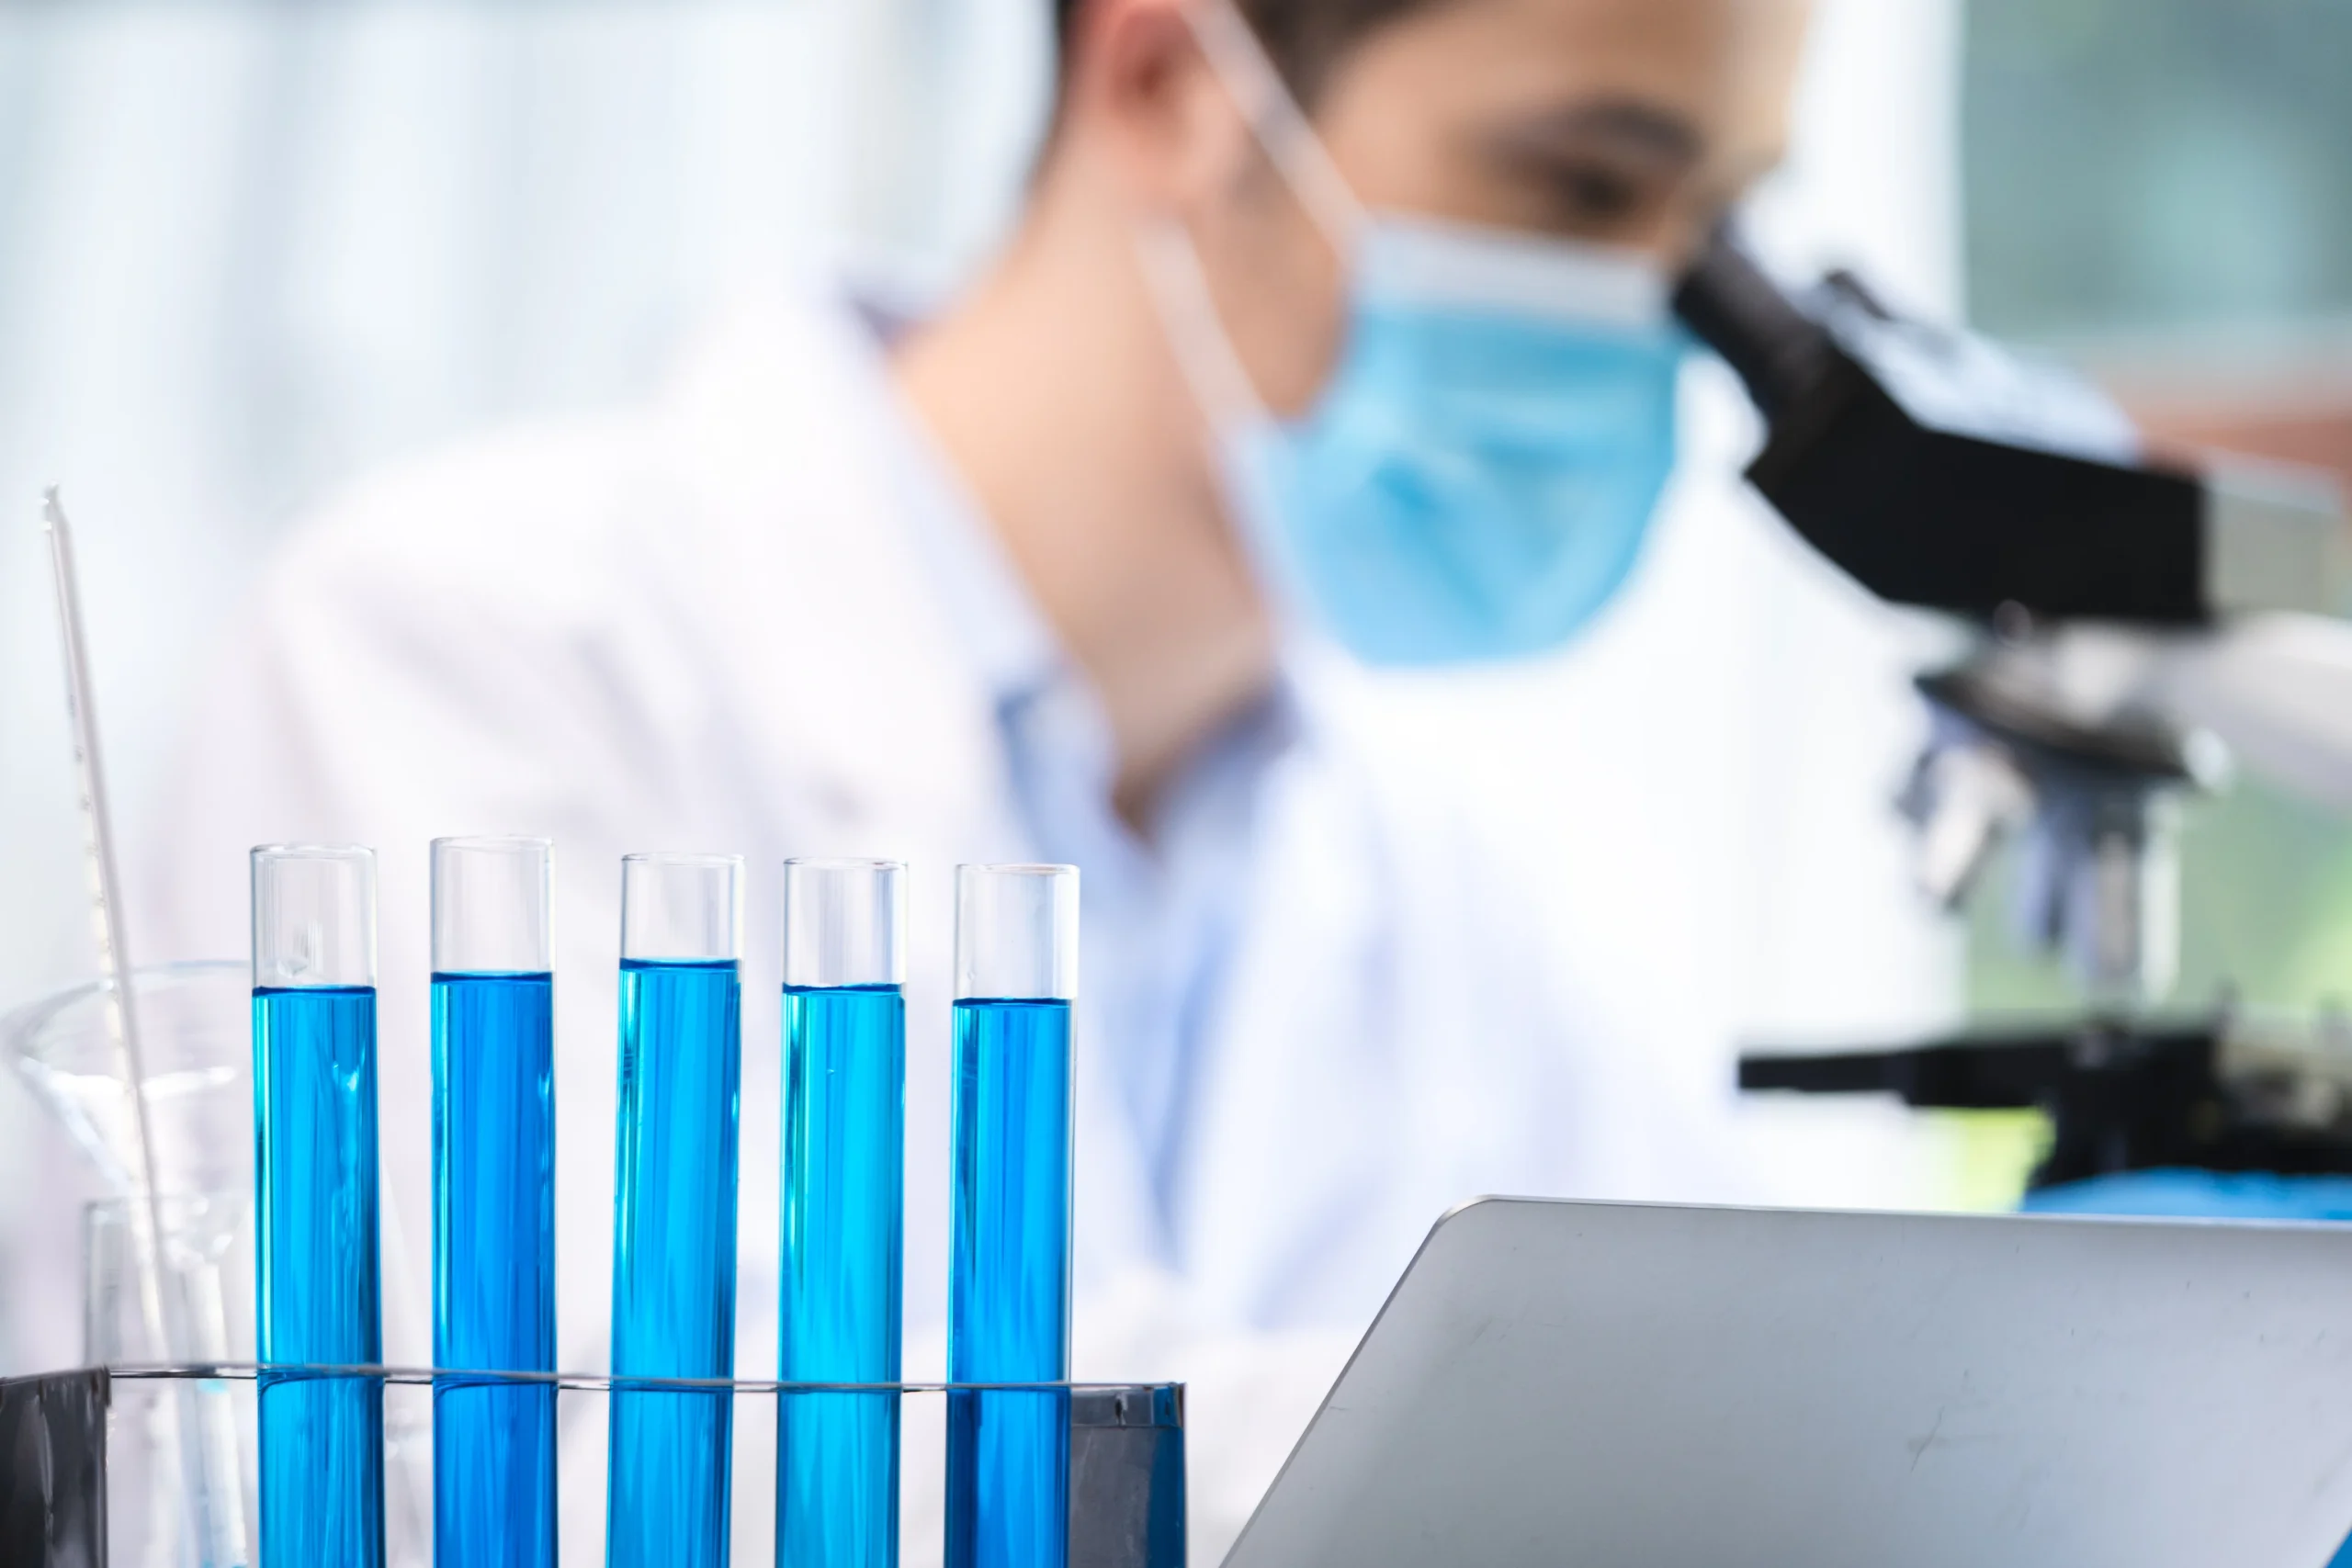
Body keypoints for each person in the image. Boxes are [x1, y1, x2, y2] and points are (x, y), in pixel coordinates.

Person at [147, 0, 1812, 1554]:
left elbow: (1778, 1448)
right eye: (1586, 180)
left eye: (1720, 234)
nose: (1659, 312)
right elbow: (582, 1480)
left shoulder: (1469, 870)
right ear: (1169, 84)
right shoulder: (470, 652)